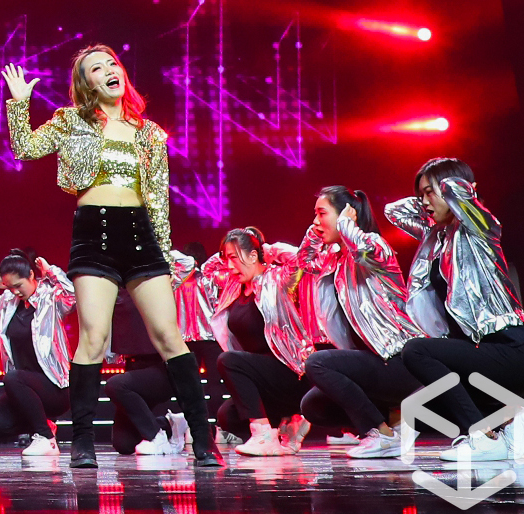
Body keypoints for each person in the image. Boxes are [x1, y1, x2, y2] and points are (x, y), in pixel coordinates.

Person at [3, 49, 219, 466]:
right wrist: (18, 104)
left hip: (140, 234)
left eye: (112, 64)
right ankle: (82, 442)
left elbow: (158, 199)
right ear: (87, 84)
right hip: (94, 233)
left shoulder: (149, 132)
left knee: (169, 336)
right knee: (94, 337)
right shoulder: (71, 121)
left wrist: (164, 252)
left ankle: (202, 440)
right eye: (96, 69)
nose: (108, 71)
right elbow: (25, 149)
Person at [384, 157, 524, 464]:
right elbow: (393, 211)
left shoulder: (479, 227)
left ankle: (482, 437)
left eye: (429, 193)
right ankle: (511, 416)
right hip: (482, 352)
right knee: (421, 406)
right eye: (421, 195)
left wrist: (449, 183)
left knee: (416, 351)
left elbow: (458, 193)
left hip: (513, 350)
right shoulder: (438, 237)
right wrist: (430, 192)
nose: (424, 202)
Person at [295, 187, 427, 457]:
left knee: (318, 363)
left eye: (321, 214)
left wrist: (346, 224)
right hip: (372, 361)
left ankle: (381, 433)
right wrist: (317, 230)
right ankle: (394, 425)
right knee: (312, 405)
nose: (316, 221)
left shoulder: (375, 247)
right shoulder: (335, 259)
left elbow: (362, 248)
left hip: (401, 360)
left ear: (347, 214)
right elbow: (304, 261)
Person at [201, 226, 312, 456]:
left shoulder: (278, 279)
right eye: (227, 259)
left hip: (290, 372)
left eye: (235, 258)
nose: (229, 266)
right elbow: (207, 270)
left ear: (253, 256)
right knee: (226, 416)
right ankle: (288, 424)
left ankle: (263, 435)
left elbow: (300, 259)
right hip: (260, 377)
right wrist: (231, 249)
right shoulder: (233, 286)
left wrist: (266, 249)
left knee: (228, 360)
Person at [105, 243, 220, 460]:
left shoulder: (158, 283)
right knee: (123, 443)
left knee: (115, 385)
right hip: (134, 366)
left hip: (162, 366)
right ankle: (169, 424)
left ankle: (156, 436)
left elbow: (187, 263)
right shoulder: (115, 287)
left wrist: (147, 247)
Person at [0, 255, 81, 457]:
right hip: (24, 388)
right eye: (9, 287)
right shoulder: (8, 302)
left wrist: (51, 271)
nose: (15, 291)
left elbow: (74, 294)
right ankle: (45, 425)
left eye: (18, 285)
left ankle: (45, 438)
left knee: (13, 378)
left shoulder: (50, 298)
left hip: (55, 386)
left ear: (31, 275)